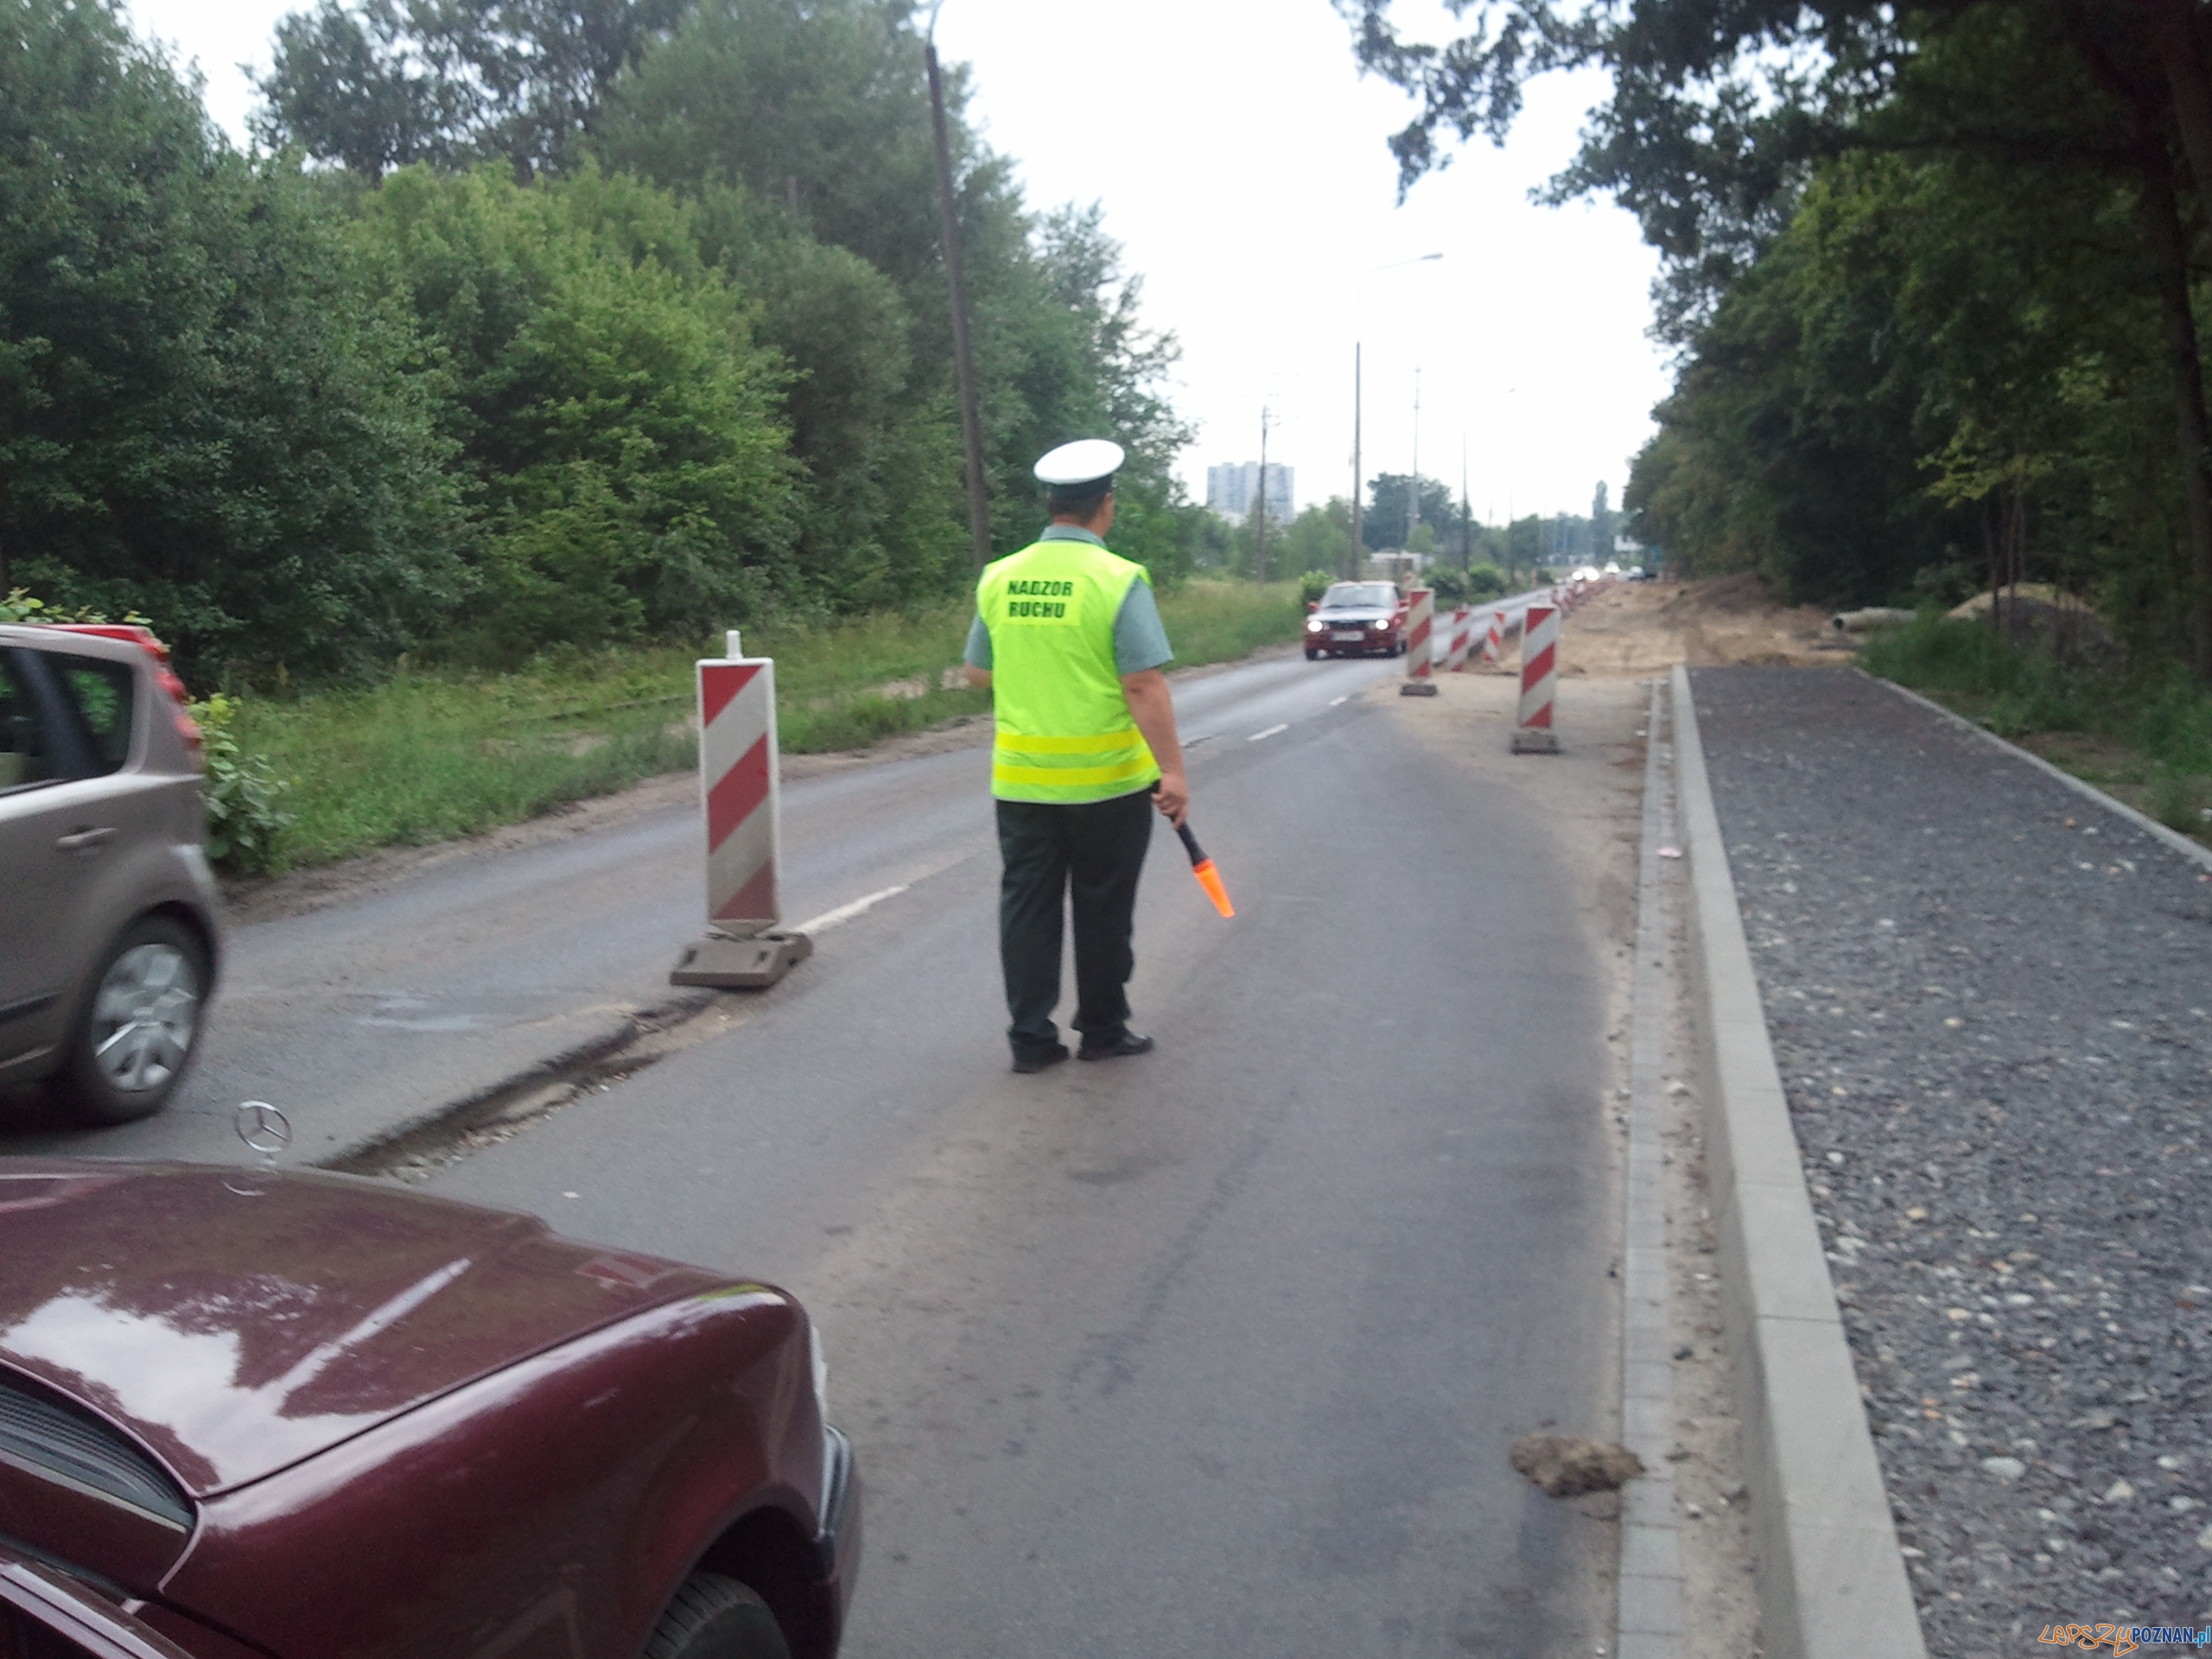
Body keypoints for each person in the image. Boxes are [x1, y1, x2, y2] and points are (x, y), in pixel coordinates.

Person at [964, 439, 1189, 1074]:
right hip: (1108, 787)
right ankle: (1101, 1030)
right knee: (1102, 909)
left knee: (1027, 910)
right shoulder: (1117, 579)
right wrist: (1171, 771)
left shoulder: (1000, 576)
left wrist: (1038, 669)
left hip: (1023, 784)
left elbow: (978, 673)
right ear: (1106, 507)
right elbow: (1142, 684)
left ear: (1051, 505)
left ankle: (1031, 1042)